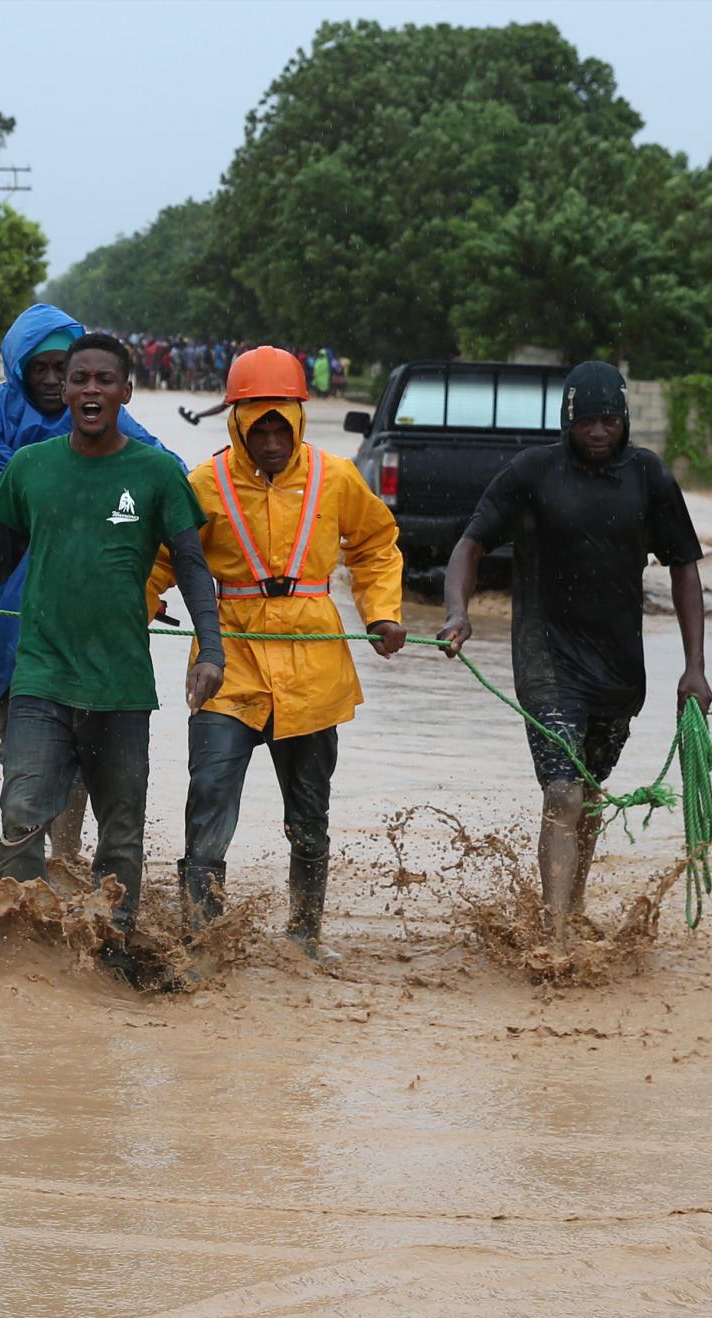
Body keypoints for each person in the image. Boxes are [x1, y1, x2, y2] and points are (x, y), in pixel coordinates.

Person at [0, 334, 224, 981]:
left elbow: (192, 567)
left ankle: (113, 952)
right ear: (60, 390)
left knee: (122, 833)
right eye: (77, 378)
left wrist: (210, 651)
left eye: (103, 379)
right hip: (40, 680)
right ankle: (19, 952)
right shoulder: (30, 469)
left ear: (126, 392)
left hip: (122, 687)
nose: (87, 390)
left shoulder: (157, 473)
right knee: (23, 815)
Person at [436, 361, 710, 950]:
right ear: (568, 420)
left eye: (609, 420)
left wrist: (695, 668)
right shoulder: (532, 473)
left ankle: (571, 902)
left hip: (617, 668)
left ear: (625, 420)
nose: (598, 432)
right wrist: (458, 612)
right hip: (545, 658)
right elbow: (471, 543)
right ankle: (554, 940)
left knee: (586, 794)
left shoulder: (648, 476)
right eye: (586, 421)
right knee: (562, 789)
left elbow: (684, 568)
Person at [151, 346, 406, 965]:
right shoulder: (202, 484)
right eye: (257, 426)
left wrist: (382, 614)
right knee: (208, 797)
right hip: (227, 658)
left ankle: (304, 937)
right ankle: (202, 941)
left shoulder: (337, 477)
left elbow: (376, 544)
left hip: (314, 663)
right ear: (235, 421)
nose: (270, 440)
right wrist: (140, 604)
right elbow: (160, 558)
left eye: (280, 426)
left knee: (309, 815)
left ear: (298, 419)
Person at [0, 303, 173, 863]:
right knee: (25, 738)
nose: (50, 381)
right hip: (6, 599)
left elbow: (162, 475)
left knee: (90, 743)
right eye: (37, 369)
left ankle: (65, 861)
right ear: (17, 369)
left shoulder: (97, 412)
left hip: (91, 607)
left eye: (59, 367)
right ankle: (28, 874)